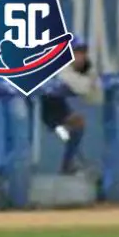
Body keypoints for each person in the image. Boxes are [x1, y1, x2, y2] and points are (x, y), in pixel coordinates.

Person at [42, 38, 102, 175]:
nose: (81, 56)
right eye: (77, 52)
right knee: (70, 129)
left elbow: (96, 97)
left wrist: (90, 75)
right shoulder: (60, 68)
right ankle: (68, 165)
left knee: (77, 124)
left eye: (83, 52)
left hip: (57, 109)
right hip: (40, 110)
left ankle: (68, 165)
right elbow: (83, 88)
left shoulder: (83, 69)